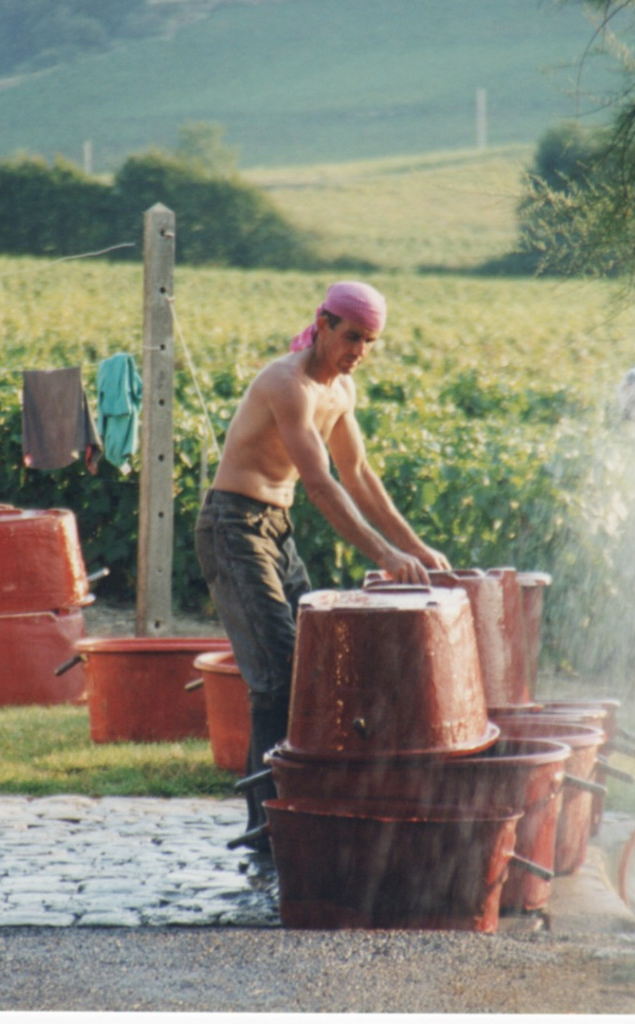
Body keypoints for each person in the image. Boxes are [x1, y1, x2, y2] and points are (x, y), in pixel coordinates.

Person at [195, 281, 451, 849]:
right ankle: (266, 828)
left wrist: (416, 545)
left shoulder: (341, 391)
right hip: (233, 527)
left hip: (275, 533)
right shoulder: (287, 384)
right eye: (352, 336)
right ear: (323, 324)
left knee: (311, 667)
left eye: (370, 341)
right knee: (278, 677)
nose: (358, 350)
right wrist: (385, 555)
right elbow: (319, 483)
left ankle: (299, 813)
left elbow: (359, 476)